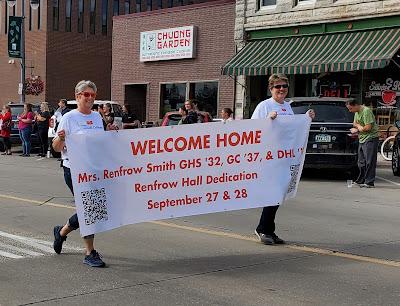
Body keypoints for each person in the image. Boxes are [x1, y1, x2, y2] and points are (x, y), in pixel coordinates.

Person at [52, 80, 116, 267]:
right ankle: (90, 252)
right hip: (73, 169)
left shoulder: (97, 117)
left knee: (90, 209)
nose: (89, 98)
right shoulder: (69, 118)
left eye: (92, 95)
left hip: (94, 169)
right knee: (89, 209)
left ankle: (61, 232)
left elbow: (100, 142)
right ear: (77, 96)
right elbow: (56, 148)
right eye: (85, 94)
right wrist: (61, 138)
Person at [251, 73, 315, 245]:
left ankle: (268, 229)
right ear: (271, 89)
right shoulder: (264, 106)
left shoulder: (287, 107)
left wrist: (306, 118)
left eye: (284, 86)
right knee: (273, 193)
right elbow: (252, 129)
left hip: (284, 157)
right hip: (268, 156)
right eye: (277, 86)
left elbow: (292, 129)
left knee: (278, 194)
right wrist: (268, 120)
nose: (281, 89)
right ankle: (263, 229)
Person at [346, 100, 379, 188]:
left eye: (351, 108)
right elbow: (354, 123)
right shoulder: (357, 112)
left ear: (356, 105)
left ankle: (369, 182)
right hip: (362, 138)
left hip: (370, 138)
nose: (350, 111)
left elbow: (368, 127)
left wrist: (358, 128)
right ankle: (361, 180)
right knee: (361, 162)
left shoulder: (366, 111)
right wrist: (358, 127)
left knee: (369, 161)